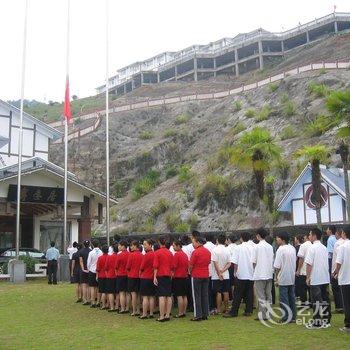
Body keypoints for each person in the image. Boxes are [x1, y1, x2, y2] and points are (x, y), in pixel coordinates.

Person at [305, 228, 331, 329]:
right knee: (325, 300)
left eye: (310, 234)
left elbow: (309, 264)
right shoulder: (324, 248)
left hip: (315, 278)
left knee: (316, 301)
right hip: (324, 277)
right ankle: (326, 320)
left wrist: (307, 277)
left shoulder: (312, 248)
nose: (309, 236)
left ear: (315, 235)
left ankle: (317, 322)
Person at [224, 232, 254, 318]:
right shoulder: (252, 247)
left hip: (241, 273)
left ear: (241, 238)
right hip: (250, 273)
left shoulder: (238, 248)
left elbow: (235, 262)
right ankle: (249, 310)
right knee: (249, 292)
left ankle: (234, 311)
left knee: (238, 293)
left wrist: (235, 272)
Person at [274, 232, 296, 323]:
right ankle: (293, 316)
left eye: (277, 238)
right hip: (291, 276)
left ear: (282, 239)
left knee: (284, 298)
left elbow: (277, 266)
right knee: (291, 297)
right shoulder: (292, 248)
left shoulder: (281, 249)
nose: (276, 239)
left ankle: (286, 317)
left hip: (283, 276)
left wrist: (276, 277)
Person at [252, 228, 274, 321]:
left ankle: (263, 315)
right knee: (268, 294)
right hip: (269, 273)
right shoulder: (270, 246)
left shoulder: (256, 247)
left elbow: (254, 262)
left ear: (258, 236)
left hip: (260, 273)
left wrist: (255, 270)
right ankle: (269, 314)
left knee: (261, 295)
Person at [189, 236, 211, 321]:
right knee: (204, 295)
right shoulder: (208, 252)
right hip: (205, 274)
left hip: (197, 274)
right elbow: (208, 262)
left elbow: (191, 265)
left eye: (193, 242)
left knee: (196, 296)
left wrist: (190, 272)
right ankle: (205, 313)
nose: (193, 244)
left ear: (197, 242)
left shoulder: (195, 252)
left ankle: (198, 315)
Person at [153, 236, 173, 322]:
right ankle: (167, 314)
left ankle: (161, 316)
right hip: (168, 275)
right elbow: (172, 267)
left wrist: (154, 277)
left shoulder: (157, 253)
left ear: (159, 243)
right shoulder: (170, 253)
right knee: (168, 296)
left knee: (161, 296)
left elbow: (155, 266)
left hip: (160, 275)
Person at [334, 228, 350, 332]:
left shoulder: (343, 247)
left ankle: (348, 325)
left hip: (346, 278)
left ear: (344, 234)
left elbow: (338, 262)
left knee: (347, 303)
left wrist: (335, 272)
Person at [211, 234, 231, 314]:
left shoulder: (215, 250)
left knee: (218, 292)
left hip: (216, 275)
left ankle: (218, 309)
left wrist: (219, 273)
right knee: (226, 291)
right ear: (225, 241)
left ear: (217, 241)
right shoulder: (227, 250)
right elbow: (229, 263)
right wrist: (223, 271)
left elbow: (215, 262)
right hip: (225, 274)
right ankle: (226, 308)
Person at [172, 240, 190, 318]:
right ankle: (184, 311)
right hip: (185, 277)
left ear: (178, 246)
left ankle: (180, 312)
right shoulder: (185, 255)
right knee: (184, 296)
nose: (173, 247)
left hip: (178, 277)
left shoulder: (177, 255)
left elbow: (174, 266)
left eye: (174, 246)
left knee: (179, 296)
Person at [139, 239, 156, 319]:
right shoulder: (154, 254)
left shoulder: (146, 255)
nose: (144, 246)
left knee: (145, 297)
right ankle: (151, 313)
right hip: (152, 277)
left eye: (145, 244)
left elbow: (142, 267)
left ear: (150, 245)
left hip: (145, 277)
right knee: (152, 296)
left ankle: (145, 313)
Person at [126, 240, 143, 316]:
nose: (131, 247)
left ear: (135, 246)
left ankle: (134, 310)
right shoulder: (142, 255)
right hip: (139, 276)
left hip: (132, 276)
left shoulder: (131, 255)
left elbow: (128, 267)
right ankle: (138, 310)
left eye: (132, 245)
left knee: (133, 294)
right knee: (138, 294)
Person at [296, 233, 312, 307]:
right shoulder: (313, 245)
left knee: (302, 288)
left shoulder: (303, 245)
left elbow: (301, 259)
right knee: (310, 288)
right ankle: (311, 302)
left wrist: (298, 270)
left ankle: (304, 304)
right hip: (312, 270)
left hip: (304, 270)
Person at [331, 228, 345, 313]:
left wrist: (334, 271)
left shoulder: (337, 244)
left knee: (336, 289)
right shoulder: (346, 243)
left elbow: (336, 259)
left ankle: (339, 307)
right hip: (345, 269)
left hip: (338, 269)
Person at [87, 240, 103, 308]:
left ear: (92, 245)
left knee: (92, 287)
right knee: (98, 287)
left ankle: (93, 301)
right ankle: (98, 301)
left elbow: (88, 262)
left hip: (92, 270)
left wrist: (89, 268)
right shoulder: (101, 252)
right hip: (99, 271)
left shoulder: (91, 252)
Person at [115, 240, 129, 314]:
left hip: (120, 275)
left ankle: (123, 308)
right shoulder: (129, 254)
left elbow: (116, 266)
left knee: (121, 293)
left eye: (119, 245)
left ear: (123, 246)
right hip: (128, 275)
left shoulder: (119, 255)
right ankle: (127, 308)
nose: (118, 247)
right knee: (127, 293)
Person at [204, 233, 216, 314]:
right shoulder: (215, 247)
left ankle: (208, 307)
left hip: (206, 271)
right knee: (214, 290)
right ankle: (214, 306)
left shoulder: (204, 247)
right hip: (215, 271)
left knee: (207, 291)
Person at [105, 244, 118, 312]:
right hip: (118, 276)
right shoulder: (119, 256)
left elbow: (106, 268)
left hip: (110, 276)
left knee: (110, 292)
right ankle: (117, 306)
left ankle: (112, 307)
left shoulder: (109, 257)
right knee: (117, 292)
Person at [96, 244, 109, 310]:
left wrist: (97, 276)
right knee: (108, 291)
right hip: (108, 276)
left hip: (101, 275)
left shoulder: (100, 258)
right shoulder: (109, 257)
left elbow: (98, 268)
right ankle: (108, 304)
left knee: (102, 291)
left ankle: (103, 305)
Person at [79, 240, 92, 305]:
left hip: (84, 270)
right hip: (90, 270)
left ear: (84, 244)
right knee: (89, 285)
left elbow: (81, 261)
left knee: (84, 285)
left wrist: (83, 269)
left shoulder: (81, 251)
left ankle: (85, 299)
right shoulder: (91, 251)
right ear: (89, 244)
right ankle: (89, 299)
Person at [294, 234, 303, 300]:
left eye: (295, 239)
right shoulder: (302, 247)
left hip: (297, 266)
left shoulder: (296, 248)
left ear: (297, 240)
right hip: (302, 267)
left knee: (297, 282)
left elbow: (296, 258)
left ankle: (297, 294)